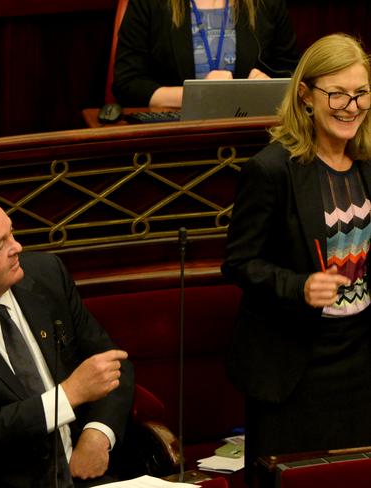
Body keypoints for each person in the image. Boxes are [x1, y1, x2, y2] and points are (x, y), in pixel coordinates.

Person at [222, 33, 371, 477]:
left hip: (361, 358)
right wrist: (298, 284)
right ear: (305, 95)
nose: (351, 107)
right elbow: (238, 262)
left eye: (361, 94)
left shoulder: (366, 163)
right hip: (295, 368)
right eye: (337, 94)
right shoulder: (271, 170)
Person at [0, 192, 135, 487]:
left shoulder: (47, 275)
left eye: (11, 233)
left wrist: (98, 434)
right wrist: (68, 396)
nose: (17, 247)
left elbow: (111, 365)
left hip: (88, 475)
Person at [113, 0, 300, 109]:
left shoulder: (267, 4)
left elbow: (294, 75)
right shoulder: (148, 4)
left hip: (252, 137)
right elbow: (127, 84)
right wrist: (198, 95)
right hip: (174, 139)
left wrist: (269, 88)